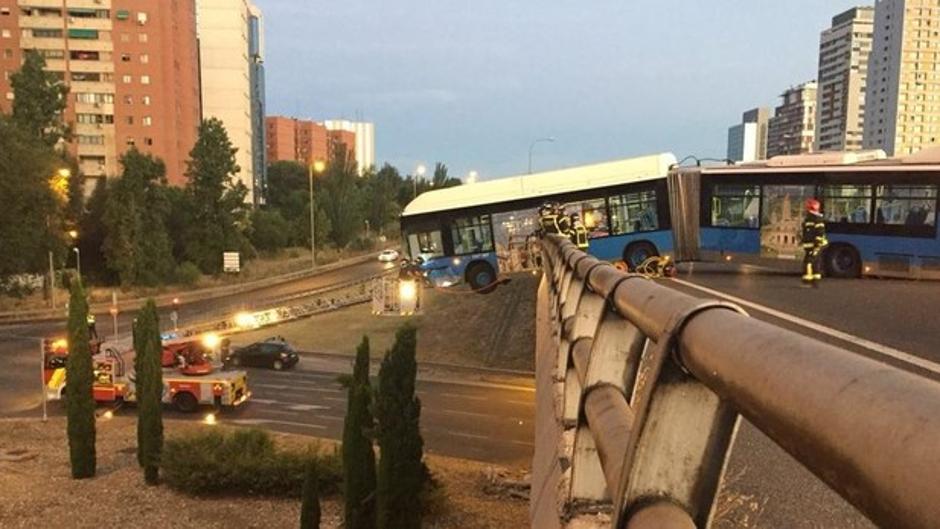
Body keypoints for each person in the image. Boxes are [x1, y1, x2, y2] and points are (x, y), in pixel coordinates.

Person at [801, 198, 828, 287]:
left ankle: (810, 281)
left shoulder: (815, 219)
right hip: (812, 245)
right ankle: (813, 281)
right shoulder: (811, 218)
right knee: (814, 262)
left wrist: (817, 245)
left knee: (810, 262)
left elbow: (819, 233)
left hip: (815, 245)